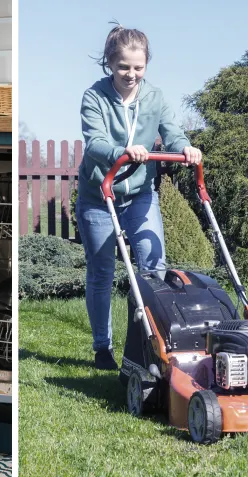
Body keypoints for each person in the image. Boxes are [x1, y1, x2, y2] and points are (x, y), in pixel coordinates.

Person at [76, 24, 202, 370]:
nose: (131, 74)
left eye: (138, 67)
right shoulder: (94, 97)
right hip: (99, 196)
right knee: (101, 272)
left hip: (140, 195)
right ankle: (103, 348)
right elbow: (95, 142)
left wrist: (185, 148)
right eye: (123, 67)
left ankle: (150, 342)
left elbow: (172, 132)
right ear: (109, 64)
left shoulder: (155, 98)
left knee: (154, 267)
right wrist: (122, 150)